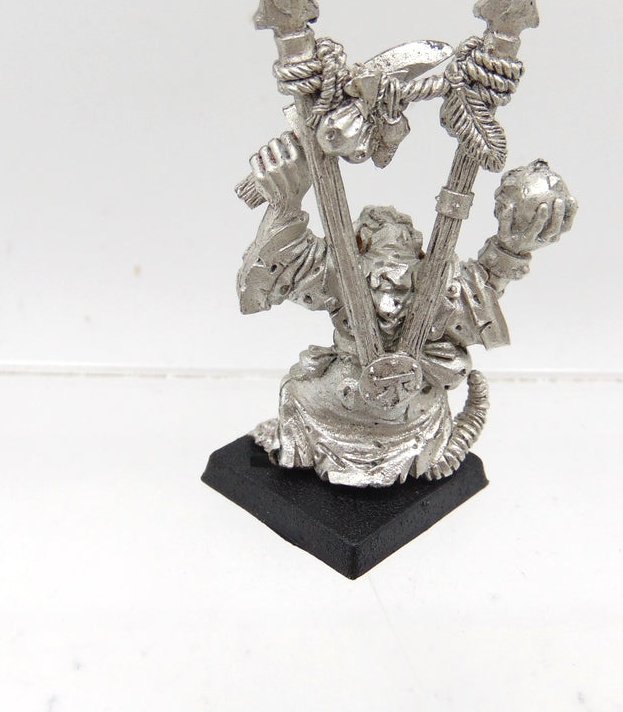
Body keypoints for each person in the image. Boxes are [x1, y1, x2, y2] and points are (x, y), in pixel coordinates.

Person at [238, 132, 575, 486]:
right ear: (360, 245)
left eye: (402, 239)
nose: (392, 252)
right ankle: (307, 446)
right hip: (336, 403)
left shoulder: (434, 281)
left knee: (297, 389)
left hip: (414, 413)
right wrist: (285, 204)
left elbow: (481, 287)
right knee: (296, 391)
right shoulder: (341, 272)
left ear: (417, 251)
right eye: (378, 235)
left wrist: (512, 246)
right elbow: (273, 277)